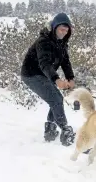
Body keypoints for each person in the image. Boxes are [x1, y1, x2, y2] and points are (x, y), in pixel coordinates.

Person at [21, 12, 76, 146]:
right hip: (31, 74)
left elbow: (65, 62)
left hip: (44, 75)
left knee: (57, 98)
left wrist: (70, 78)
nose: (64, 32)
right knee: (56, 98)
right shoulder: (43, 42)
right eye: (61, 29)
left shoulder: (61, 44)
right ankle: (65, 130)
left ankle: (50, 129)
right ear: (54, 27)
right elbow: (44, 63)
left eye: (66, 30)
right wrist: (56, 79)